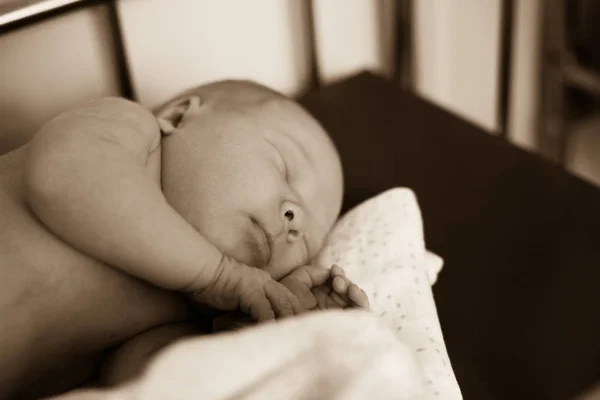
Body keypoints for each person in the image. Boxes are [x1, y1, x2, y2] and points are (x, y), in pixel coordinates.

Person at [0, 80, 368, 399]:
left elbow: (148, 385)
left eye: (309, 240)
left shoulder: (183, 311)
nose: (296, 219)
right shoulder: (128, 130)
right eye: (285, 166)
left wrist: (261, 332)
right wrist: (218, 275)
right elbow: (59, 176)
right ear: (178, 116)